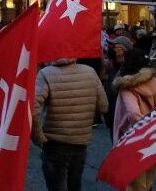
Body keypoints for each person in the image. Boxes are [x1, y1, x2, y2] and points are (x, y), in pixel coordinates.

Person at [32, 57, 108, 191]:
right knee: (75, 184)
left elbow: (33, 110)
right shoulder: (90, 72)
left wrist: (38, 136)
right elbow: (103, 106)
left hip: (55, 141)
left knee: (57, 185)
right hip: (81, 141)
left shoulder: (45, 73)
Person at [112, 49, 156, 191]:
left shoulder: (127, 86)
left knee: (134, 180)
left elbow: (133, 113)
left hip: (134, 134)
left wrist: (143, 127)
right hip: (153, 130)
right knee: (148, 176)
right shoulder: (154, 80)